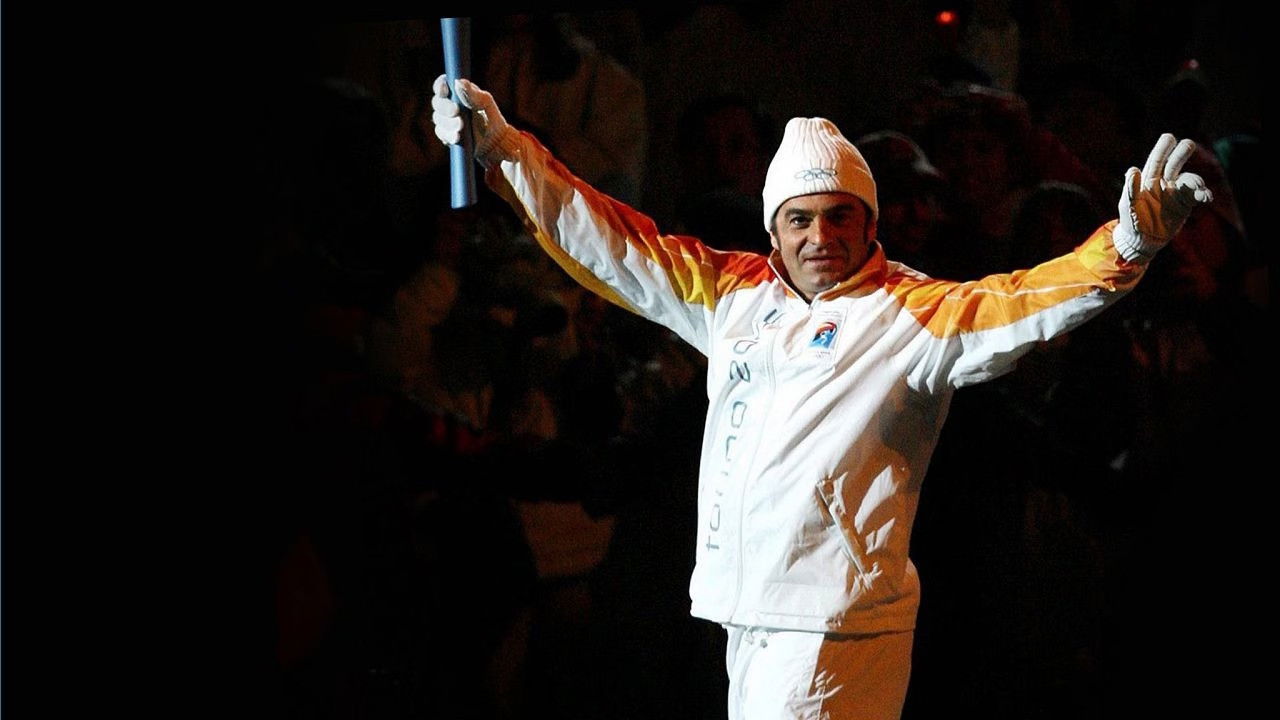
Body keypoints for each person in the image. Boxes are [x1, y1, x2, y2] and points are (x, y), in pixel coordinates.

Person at [430, 75, 1212, 719]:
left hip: (834, 627)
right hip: (749, 612)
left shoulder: (910, 313)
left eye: (841, 216)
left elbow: (1025, 300)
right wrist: (503, 151)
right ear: (775, 229)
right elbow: (610, 242)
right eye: (799, 219)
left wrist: (1126, 245)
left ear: (869, 223)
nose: (820, 237)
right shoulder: (732, 293)